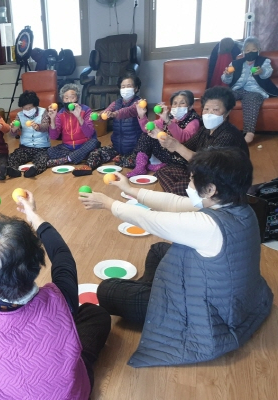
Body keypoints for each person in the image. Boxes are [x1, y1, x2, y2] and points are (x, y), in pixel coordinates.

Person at [79, 147, 273, 367]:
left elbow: (151, 220)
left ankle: (153, 301)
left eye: (192, 180)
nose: (189, 184)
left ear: (210, 189)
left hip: (206, 313)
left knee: (107, 291)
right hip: (230, 296)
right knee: (158, 250)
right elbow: (175, 203)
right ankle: (150, 293)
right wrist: (130, 189)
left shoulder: (209, 226)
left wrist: (106, 203)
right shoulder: (237, 205)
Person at [0, 192, 111, 398]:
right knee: (95, 315)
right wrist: (32, 214)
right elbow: (62, 255)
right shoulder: (62, 299)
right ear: (38, 262)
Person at [154, 86, 248, 196]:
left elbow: (206, 165)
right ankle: (185, 197)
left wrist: (177, 146)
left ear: (227, 112)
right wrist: (163, 139)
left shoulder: (228, 135)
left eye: (216, 110)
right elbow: (186, 147)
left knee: (178, 188)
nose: (209, 113)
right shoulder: (205, 129)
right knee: (163, 172)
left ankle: (186, 198)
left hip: (223, 183)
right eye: (206, 109)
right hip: (203, 173)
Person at [127, 90, 201, 177]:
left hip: (181, 157)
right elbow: (148, 130)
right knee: (147, 136)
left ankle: (164, 166)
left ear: (190, 106)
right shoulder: (170, 116)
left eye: (182, 103)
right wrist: (142, 115)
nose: (177, 106)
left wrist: (168, 121)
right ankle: (140, 167)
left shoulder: (194, 121)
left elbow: (183, 139)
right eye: (175, 103)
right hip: (168, 152)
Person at [222, 36, 278, 143]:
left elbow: (267, 73)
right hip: (237, 90)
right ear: (243, 52)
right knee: (223, 97)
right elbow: (226, 80)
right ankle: (220, 126)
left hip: (255, 91)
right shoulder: (235, 63)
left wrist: (261, 71)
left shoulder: (264, 61)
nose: (250, 52)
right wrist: (227, 74)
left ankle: (249, 133)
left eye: (253, 50)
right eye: (247, 50)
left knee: (251, 99)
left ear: (258, 50)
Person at [47, 83, 98, 168]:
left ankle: (67, 159)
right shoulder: (60, 114)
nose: (69, 100)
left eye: (72, 97)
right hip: (67, 148)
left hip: (84, 144)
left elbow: (89, 133)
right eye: (66, 98)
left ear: (77, 98)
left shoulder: (86, 110)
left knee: (94, 142)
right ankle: (79, 157)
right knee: (50, 151)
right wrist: (52, 119)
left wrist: (79, 117)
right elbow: (54, 137)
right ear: (63, 100)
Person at [5, 90, 50, 178]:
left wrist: (38, 127)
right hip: (25, 147)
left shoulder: (43, 112)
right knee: (12, 157)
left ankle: (34, 170)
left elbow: (46, 126)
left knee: (43, 159)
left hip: (42, 147)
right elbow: (12, 134)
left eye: (30, 108)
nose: (27, 110)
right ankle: (14, 171)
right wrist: (14, 129)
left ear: (35, 105)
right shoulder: (19, 115)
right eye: (25, 108)